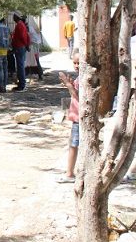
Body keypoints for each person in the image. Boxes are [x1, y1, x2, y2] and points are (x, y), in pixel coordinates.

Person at [57, 52, 80, 183]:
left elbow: (78, 96)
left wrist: (68, 84)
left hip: (80, 117)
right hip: (77, 117)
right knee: (73, 144)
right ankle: (70, 172)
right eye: (74, 63)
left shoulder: (84, 79)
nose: (76, 66)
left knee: (74, 145)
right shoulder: (79, 78)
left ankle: (70, 173)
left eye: (79, 63)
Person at [11, 14, 30, 92]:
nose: (13, 18)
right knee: (20, 66)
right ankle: (21, 83)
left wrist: (26, 45)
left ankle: (22, 85)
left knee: (20, 66)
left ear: (17, 17)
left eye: (14, 16)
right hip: (20, 47)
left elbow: (23, 37)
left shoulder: (19, 25)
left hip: (20, 47)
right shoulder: (21, 25)